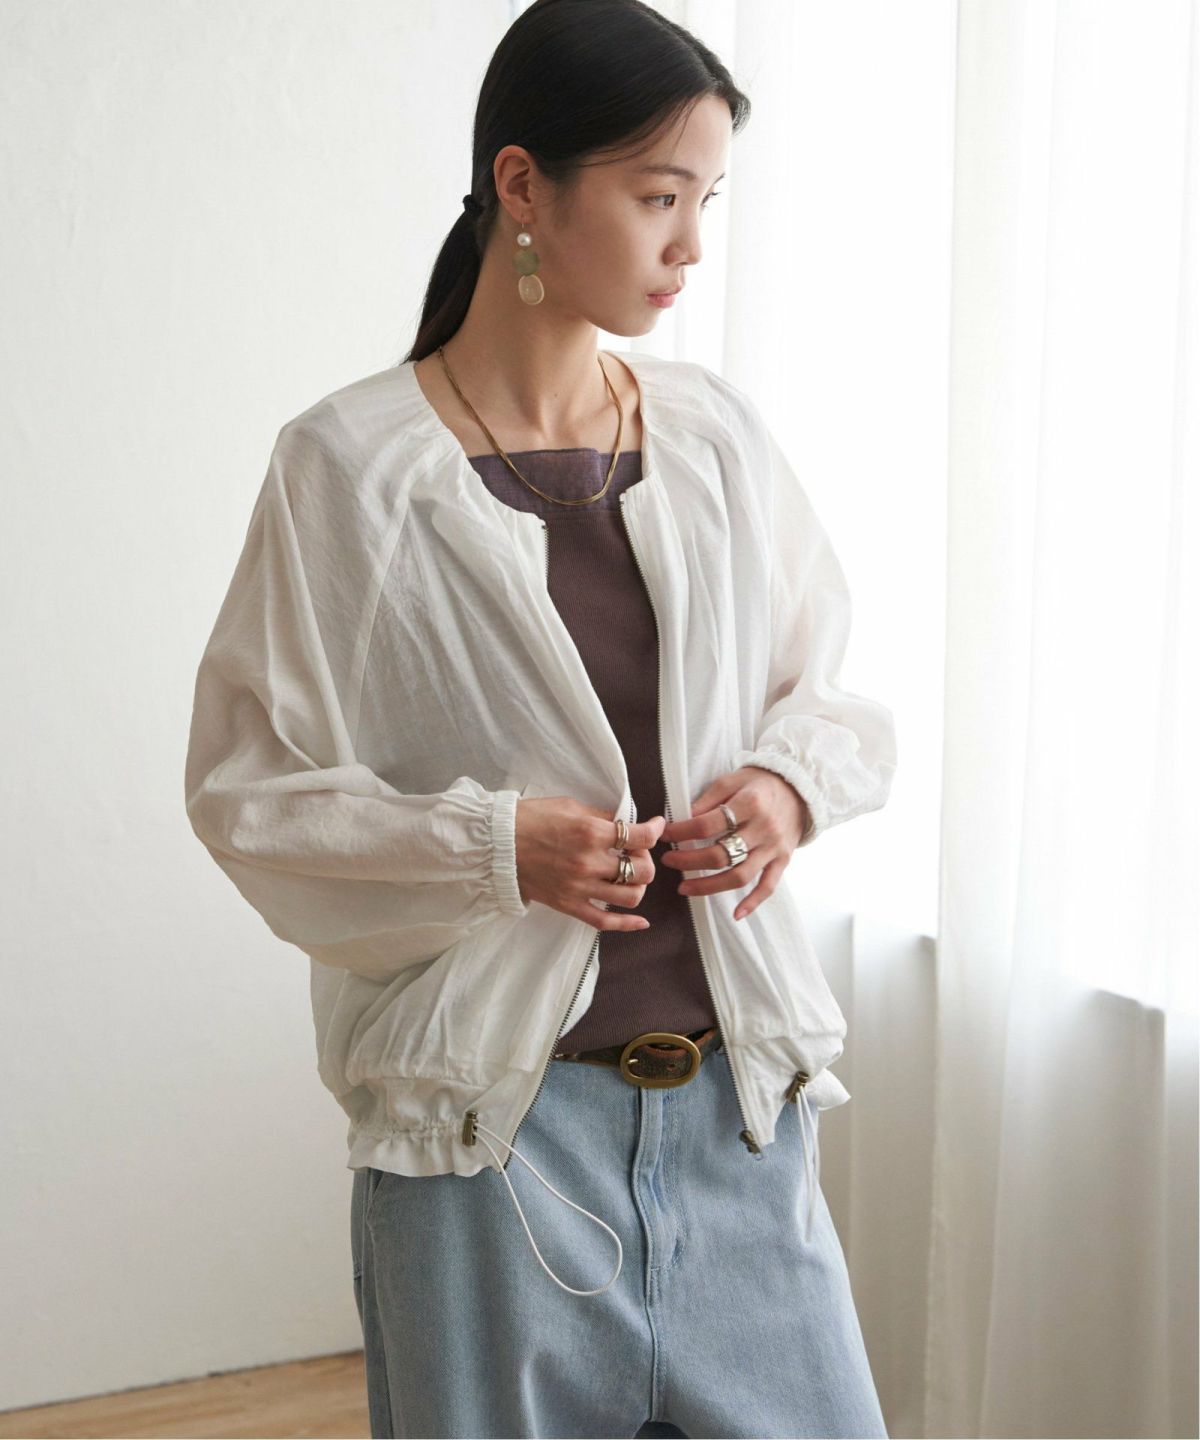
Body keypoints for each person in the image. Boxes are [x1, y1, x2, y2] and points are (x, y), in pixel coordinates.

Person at [184, 1, 897, 1435]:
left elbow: (829, 695)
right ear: (523, 184)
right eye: (658, 197)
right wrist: (494, 849)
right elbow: (249, 795)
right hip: (492, 1148)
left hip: (739, 1117)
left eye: (705, 202)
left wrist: (785, 788)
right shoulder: (351, 469)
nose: (689, 246)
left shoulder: (711, 437)